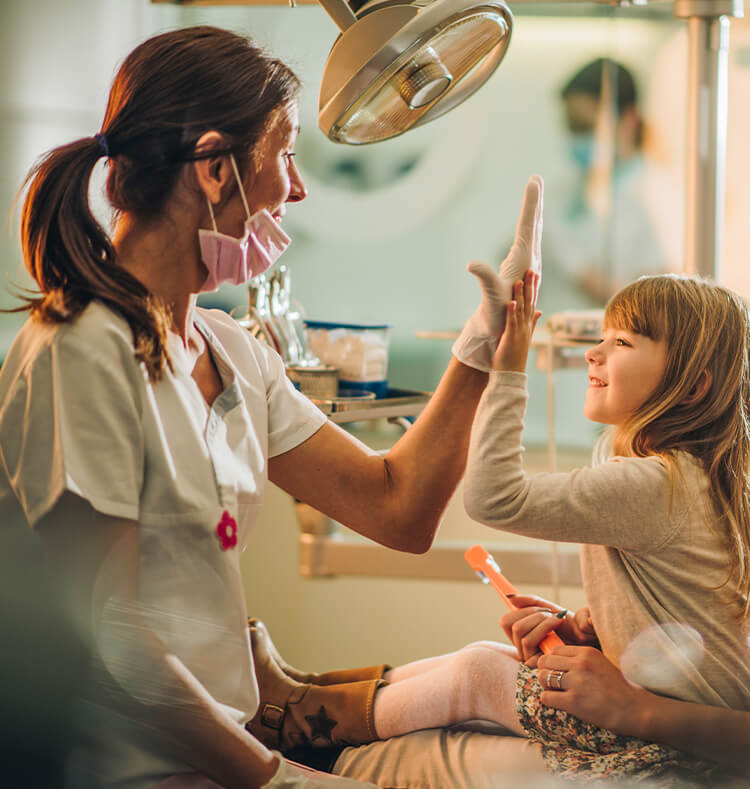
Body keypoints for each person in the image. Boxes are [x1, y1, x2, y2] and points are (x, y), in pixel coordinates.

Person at [0, 25, 545, 789]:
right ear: (217, 168)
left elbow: (399, 509)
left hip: (229, 751)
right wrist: (274, 777)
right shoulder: (80, 351)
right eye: (286, 153)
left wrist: (481, 346)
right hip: (133, 767)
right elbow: (116, 639)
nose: (298, 187)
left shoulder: (231, 351)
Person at [455, 272, 750, 780]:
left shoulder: (656, 483)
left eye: (621, 342)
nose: (594, 353)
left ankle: (302, 709)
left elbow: (493, 499)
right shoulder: (709, 481)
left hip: (677, 745)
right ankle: (301, 700)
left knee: (478, 670)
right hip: (689, 732)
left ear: (692, 386)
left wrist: (508, 372)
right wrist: (595, 632)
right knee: (481, 663)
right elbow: (700, 623)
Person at [543, 58, 681, 306]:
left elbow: (659, 303)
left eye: (586, 127)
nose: (577, 139)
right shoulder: (565, 191)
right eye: (571, 128)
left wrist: (577, 269)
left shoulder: (659, 195)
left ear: (628, 120)